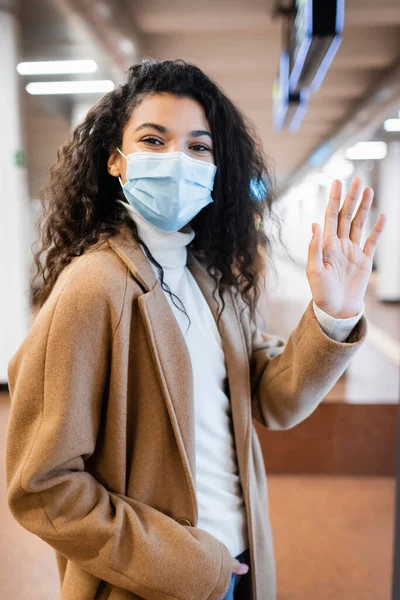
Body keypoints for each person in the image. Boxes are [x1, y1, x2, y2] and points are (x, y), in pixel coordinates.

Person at [5, 58, 386, 600]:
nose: (177, 160)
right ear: (116, 161)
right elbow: (41, 486)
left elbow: (274, 400)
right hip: (156, 583)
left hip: (241, 563)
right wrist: (188, 563)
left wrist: (334, 312)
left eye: (198, 147)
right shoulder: (93, 288)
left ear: (215, 168)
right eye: (153, 141)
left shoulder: (209, 281)